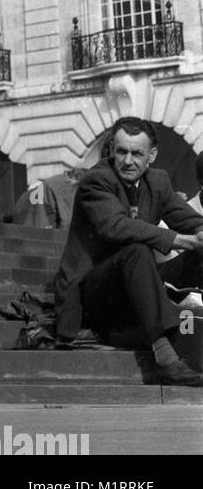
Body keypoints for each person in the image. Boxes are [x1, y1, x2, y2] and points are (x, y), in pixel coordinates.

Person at [51, 117, 203, 386]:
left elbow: (191, 221)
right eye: (121, 151)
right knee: (137, 249)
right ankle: (167, 359)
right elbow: (118, 227)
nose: (128, 160)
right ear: (112, 151)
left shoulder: (158, 182)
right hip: (93, 296)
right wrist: (184, 240)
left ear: (151, 156)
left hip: (138, 284)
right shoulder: (95, 181)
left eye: (137, 153)